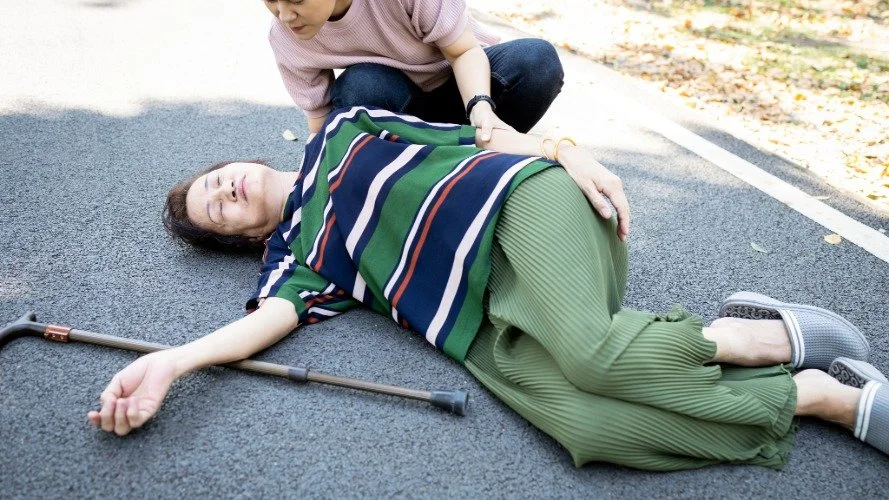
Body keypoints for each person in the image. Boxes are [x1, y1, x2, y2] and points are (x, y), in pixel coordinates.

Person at [88, 107, 889, 470]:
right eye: (215, 209)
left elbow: (479, 133)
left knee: (589, 355)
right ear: (246, 237)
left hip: (521, 210)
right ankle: (814, 397)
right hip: (481, 328)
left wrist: (565, 152)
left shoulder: (342, 130)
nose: (222, 188)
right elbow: (263, 324)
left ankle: (760, 340)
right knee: (589, 429)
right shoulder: (297, 258)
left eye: (213, 179)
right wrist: (171, 362)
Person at [264, 0, 564, 140]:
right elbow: (321, 124)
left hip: (463, 87)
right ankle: (418, 176)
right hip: (400, 109)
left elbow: (464, 52)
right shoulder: (286, 37)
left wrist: (481, 107)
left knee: (537, 61)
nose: (285, 14)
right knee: (359, 88)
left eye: (296, 0)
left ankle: (489, 147)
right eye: (270, 0)